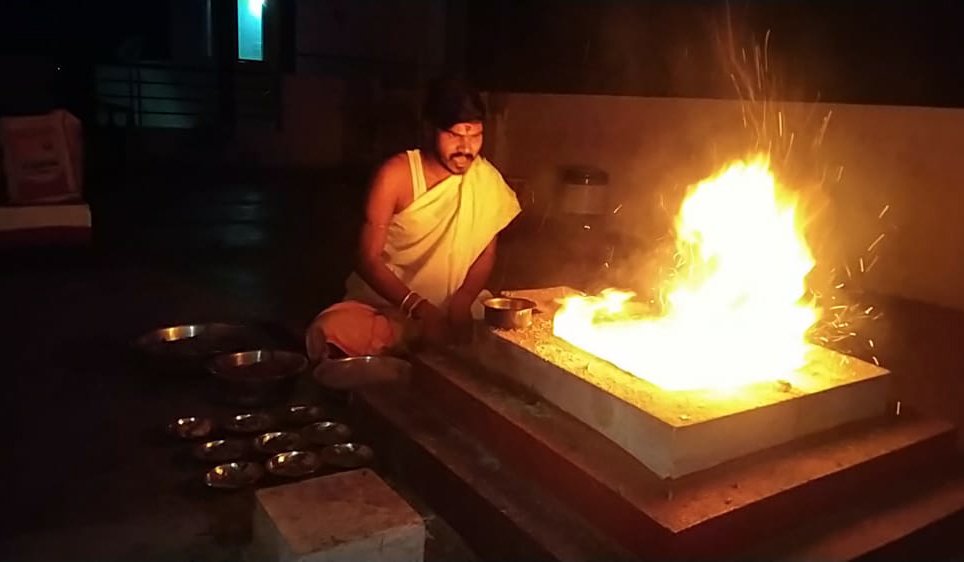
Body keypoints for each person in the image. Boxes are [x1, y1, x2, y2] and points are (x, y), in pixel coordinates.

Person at [305, 78, 521, 359]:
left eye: (475, 136)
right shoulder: (395, 175)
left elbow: (485, 253)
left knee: (511, 327)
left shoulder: (486, 180)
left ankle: (418, 341)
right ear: (430, 129)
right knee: (330, 330)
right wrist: (419, 309)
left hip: (452, 304)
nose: (466, 148)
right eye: (455, 135)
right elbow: (367, 258)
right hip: (387, 305)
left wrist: (462, 302)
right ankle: (413, 336)